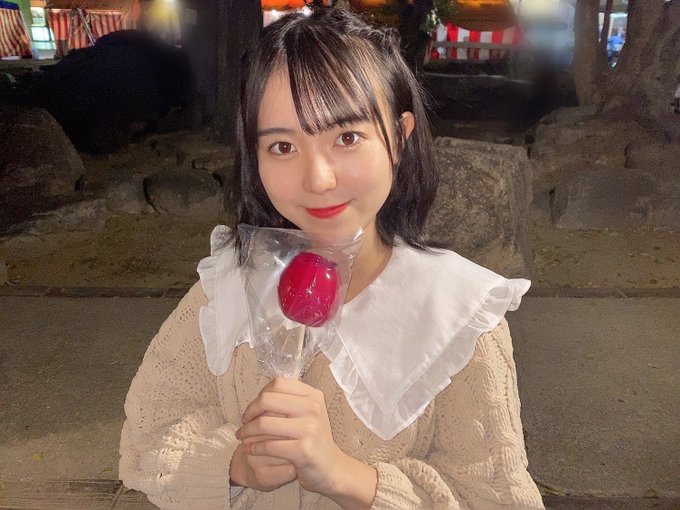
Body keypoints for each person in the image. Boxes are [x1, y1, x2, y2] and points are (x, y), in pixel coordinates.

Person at [119, 8, 544, 509]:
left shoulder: (459, 316)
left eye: (346, 137)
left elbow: (497, 498)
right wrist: (235, 465)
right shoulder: (227, 289)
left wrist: (347, 476)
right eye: (282, 145)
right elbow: (146, 440)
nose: (318, 179)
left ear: (399, 138)